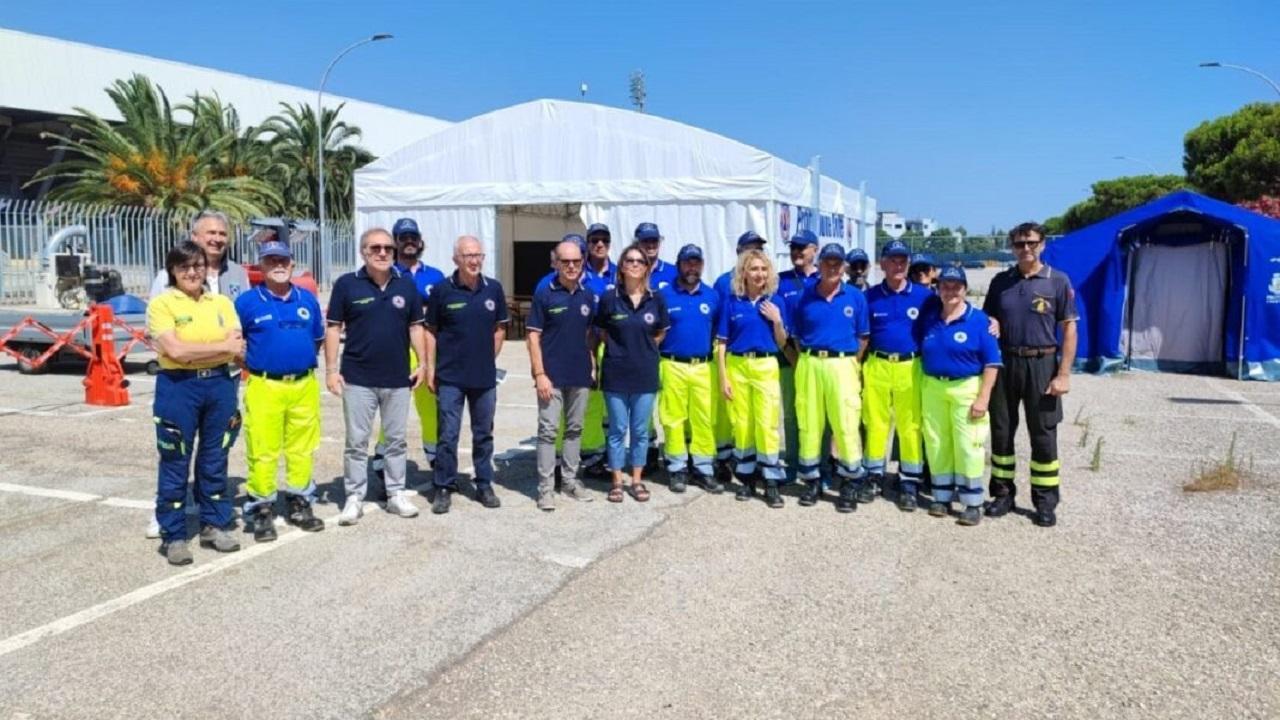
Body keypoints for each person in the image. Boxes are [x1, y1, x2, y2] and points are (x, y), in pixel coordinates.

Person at [144, 209, 249, 540]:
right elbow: (174, 351)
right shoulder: (163, 300)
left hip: (221, 383)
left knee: (215, 458)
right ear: (173, 270)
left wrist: (210, 350)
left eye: (197, 267)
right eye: (185, 267)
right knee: (175, 459)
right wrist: (220, 346)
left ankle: (214, 524)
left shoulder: (223, 297)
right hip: (178, 387)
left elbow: (239, 346)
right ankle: (172, 533)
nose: (192, 272)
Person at [325, 228, 428, 526]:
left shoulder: (406, 285)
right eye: (375, 248)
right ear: (363, 252)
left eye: (387, 248)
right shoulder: (347, 285)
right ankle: (354, 497)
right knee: (356, 441)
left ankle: (395, 493)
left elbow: (415, 328)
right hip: (358, 378)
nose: (382, 253)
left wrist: (422, 363)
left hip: (397, 378)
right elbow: (333, 328)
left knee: (395, 440)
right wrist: (331, 371)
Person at [983, 222, 1078, 527]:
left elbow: (1069, 328)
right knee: (1001, 431)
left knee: (1044, 435)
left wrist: (1063, 374)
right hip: (1006, 362)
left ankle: (1045, 501)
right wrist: (991, 323)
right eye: (1019, 244)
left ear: (1043, 245)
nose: (1025, 249)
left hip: (1042, 364)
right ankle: (1002, 494)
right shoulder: (1000, 282)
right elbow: (988, 319)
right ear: (1011, 247)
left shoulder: (1057, 282)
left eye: (1031, 243)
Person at [234, 240, 326, 541]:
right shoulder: (247, 302)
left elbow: (316, 340)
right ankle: (261, 509)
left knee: (302, 447)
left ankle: (300, 501)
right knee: (263, 449)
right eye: (271, 260)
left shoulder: (307, 300)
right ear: (260, 265)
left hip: (303, 384)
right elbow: (237, 345)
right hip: (264, 385)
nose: (278, 265)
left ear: (292, 263)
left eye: (283, 260)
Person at [426, 236, 510, 514]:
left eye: (478, 255)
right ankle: (443, 486)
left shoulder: (494, 290)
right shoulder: (441, 290)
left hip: (484, 378)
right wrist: (430, 367)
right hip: (450, 377)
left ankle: (484, 483)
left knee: (483, 433)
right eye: (467, 255)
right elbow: (431, 331)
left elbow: (500, 329)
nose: (474, 260)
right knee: (447, 435)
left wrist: (488, 358)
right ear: (456, 259)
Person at [916, 265, 1002, 526]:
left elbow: (992, 363)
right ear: (938, 288)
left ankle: (972, 502)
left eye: (956, 286)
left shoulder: (980, 321)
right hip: (933, 386)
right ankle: (941, 497)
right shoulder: (929, 317)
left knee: (968, 446)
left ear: (965, 290)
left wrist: (983, 397)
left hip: (966, 388)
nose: (950, 291)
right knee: (937, 442)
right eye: (945, 286)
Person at [791, 243, 871, 512]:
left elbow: (863, 337)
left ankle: (850, 482)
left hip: (843, 363)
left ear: (844, 266)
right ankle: (812, 480)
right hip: (811, 362)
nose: (833, 267)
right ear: (820, 263)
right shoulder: (805, 296)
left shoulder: (855, 297)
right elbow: (797, 336)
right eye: (828, 262)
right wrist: (812, 358)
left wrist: (848, 363)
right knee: (810, 423)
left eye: (838, 263)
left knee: (846, 423)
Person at [370, 218, 446, 477]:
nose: (409, 242)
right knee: (393, 410)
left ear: (420, 241)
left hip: (428, 351)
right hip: (397, 350)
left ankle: (437, 462)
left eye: (413, 237)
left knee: (431, 409)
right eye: (403, 238)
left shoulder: (435, 276)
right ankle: (382, 461)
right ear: (395, 243)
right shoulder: (384, 273)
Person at [594, 242, 669, 503]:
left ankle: (636, 481)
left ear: (647, 267)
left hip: (645, 374)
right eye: (630, 261)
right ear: (622, 267)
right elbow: (601, 331)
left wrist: (643, 348)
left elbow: (661, 332)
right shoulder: (609, 298)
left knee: (639, 431)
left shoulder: (656, 299)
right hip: (615, 373)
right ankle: (616, 481)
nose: (635, 264)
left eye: (640, 261)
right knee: (616, 430)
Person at [527, 236, 597, 511]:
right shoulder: (544, 294)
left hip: (579, 374)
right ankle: (545, 489)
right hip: (551, 376)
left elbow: (589, 334)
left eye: (576, 261)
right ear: (556, 263)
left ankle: (569, 480)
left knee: (575, 430)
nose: (571, 266)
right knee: (547, 431)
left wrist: (591, 364)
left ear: (582, 263)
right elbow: (532, 337)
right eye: (565, 261)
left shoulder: (587, 295)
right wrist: (539, 373)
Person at [862, 239, 933, 510]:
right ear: (882, 264)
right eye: (893, 259)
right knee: (876, 423)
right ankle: (874, 475)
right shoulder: (869, 296)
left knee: (910, 425)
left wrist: (992, 321)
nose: (898, 264)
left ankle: (909, 482)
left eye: (903, 260)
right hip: (878, 364)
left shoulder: (924, 297)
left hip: (910, 366)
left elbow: (950, 315)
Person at [717, 249, 790, 507]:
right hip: (738, 365)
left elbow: (782, 343)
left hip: (765, 365)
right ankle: (746, 479)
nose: (759, 274)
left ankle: (771, 481)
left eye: (763, 269)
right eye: (754, 269)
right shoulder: (732, 302)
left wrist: (778, 321)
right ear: (744, 273)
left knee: (767, 422)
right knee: (743, 423)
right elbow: (722, 344)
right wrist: (723, 377)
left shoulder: (775, 302)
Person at [658, 244, 723, 494]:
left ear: (702, 265)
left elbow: (716, 330)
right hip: (672, 363)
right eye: (687, 262)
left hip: (703, 366)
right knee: (673, 418)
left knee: (704, 418)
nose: (692, 267)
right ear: (679, 264)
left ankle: (703, 469)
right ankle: (677, 469)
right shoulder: (664, 296)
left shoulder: (711, 296)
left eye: (696, 262)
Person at [777, 230, 820, 483]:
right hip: (788, 355)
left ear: (814, 249)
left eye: (802, 247)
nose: (797, 252)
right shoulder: (780, 281)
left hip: (816, 358)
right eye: (794, 247)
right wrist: (791, 354)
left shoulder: (824, 279)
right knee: (792, 414)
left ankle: (817, 464)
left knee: (817, 414)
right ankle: (793, 463)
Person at [148, 209, 250, 302]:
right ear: (194, 237)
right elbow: (153, 316)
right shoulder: (170, 275)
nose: (217, 239)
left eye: (222, 234)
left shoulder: (238, 273)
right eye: (211, 233)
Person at [634, 222, 677, 290]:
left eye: (654, 241)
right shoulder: (629, 272)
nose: (651, 245)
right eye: (645, 241)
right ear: (637, 244)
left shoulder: (674, 272)